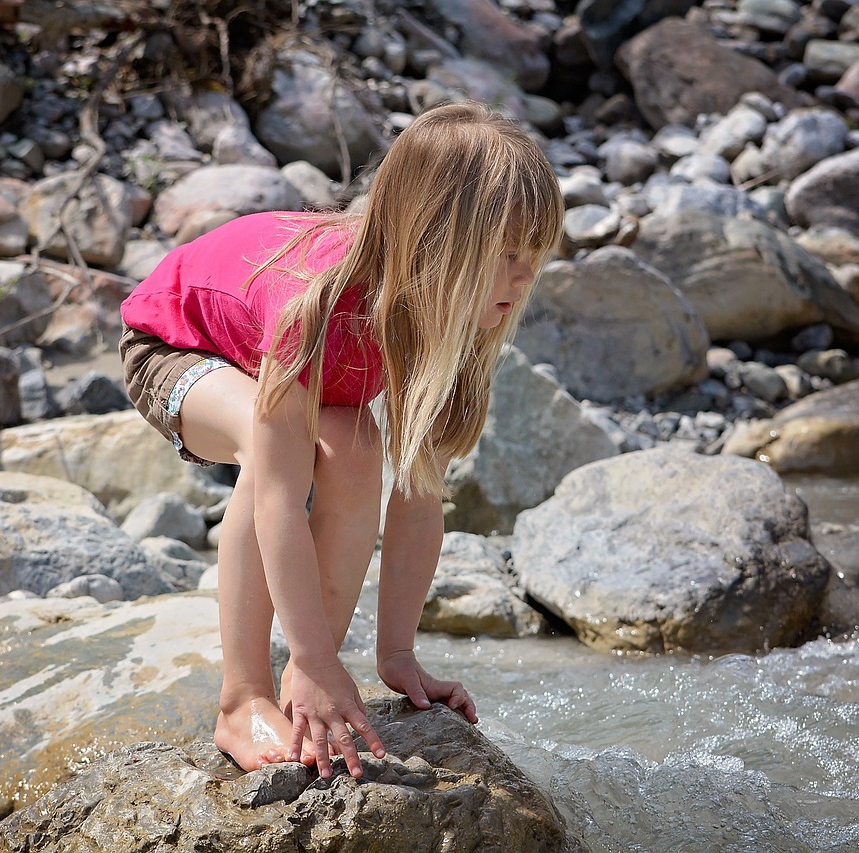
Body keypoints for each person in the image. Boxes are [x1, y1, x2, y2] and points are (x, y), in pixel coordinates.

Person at [119, 101, 564, 779]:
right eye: (505, 257)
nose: (525, 277)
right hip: (175, 347)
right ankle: (242, 697)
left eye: (533, 257)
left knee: (357, 449)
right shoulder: (318, 303)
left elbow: (417, 503)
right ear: (431, 243)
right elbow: (277, 498)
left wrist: (397, 655)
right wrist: (328, 659)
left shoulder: (452, 324)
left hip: (282, 365)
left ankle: (304, 671)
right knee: (271, 451)